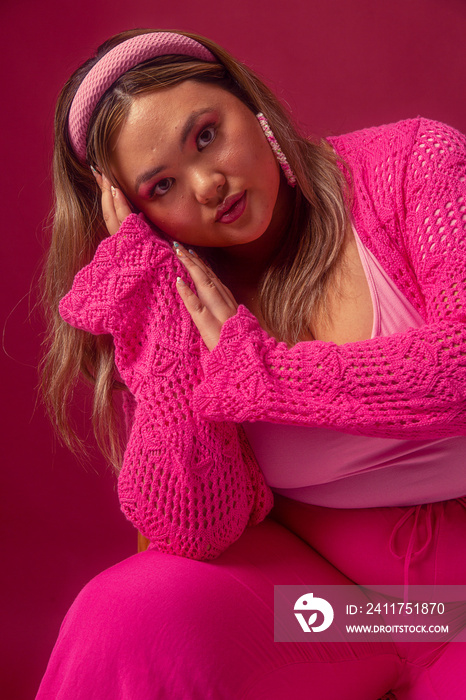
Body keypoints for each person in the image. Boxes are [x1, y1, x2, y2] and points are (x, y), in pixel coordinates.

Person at [36, 28, 466, 700]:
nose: (208, 186)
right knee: (126, 611)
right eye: (162, 186)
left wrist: (266, 374)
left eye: (206, 136)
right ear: (139, 216)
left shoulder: (410, 161)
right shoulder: (185, 296)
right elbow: (193, 527)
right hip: (342, 618)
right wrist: (156, 317)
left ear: (250, 108)